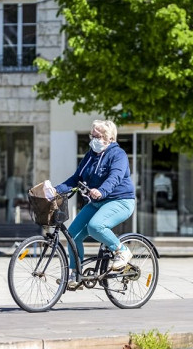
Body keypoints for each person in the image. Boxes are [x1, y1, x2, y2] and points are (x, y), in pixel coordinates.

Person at [55, 120, 136, 289]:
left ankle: (122, 250)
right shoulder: (90, 155)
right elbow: (76, 178)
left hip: (120, 200)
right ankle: (76, 274)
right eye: (92, 135)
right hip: (98, 202)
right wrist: (56, 190)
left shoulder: (118, 154)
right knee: (72, 235)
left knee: (95, 226)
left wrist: (102, 190)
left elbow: (116, 176)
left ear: (110, 138)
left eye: (98, 136)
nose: (94, 139)